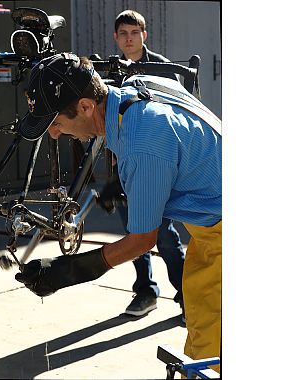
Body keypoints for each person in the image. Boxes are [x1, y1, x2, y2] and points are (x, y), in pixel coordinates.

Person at [15, 53, 221, 371]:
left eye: (56, 123)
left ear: (85, 106)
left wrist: (68, 270)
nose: (54, 134)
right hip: (210, 226)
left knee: (211, 347)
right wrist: (127, 181)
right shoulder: (136, 88)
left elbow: (141, 241)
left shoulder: (141, 144)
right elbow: (179, 138)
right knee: (199, 314)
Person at [98, 9, 186, 319]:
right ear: (116, 37)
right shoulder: (110, 71)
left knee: (164, 235)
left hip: (157, 164)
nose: (129, 39)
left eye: (134, 33)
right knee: (134, 233)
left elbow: (177, 112)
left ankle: (188, 295)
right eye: (123, 34)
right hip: (123, 165)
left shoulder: (161, 68)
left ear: (144, 35)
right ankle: (146, 291)